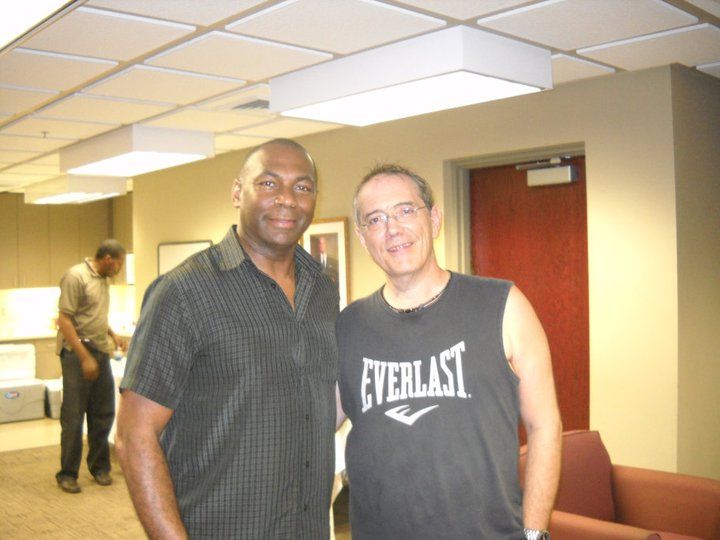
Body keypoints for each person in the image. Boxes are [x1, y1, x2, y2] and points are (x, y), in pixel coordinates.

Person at [116, 139, 339, 539]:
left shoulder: (322, 290)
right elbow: (135, 436)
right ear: (237, 192)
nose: (287, 199)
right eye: (269, 183)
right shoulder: (183, 293)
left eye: (302, 187)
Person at [336, 164, 562, 540]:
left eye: (405, 210)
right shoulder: (348, 326)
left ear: (435, 219)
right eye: (375, 219)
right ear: (362, 238)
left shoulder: (502, 304)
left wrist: (534, 534)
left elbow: (545, 427)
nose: (393, 229)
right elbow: (310, 425)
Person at [55, 239, 128, 494]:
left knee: (103, 413)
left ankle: (99, 467)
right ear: (108, 259)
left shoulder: (103, 280)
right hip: (76, 354)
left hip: (100, 351)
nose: (120, 269)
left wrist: (113, 334)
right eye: (119, 263)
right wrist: (84, 356)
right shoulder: (76, 277)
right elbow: (64, 320)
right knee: (74, 416)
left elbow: (95, 316)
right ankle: (67, 474)